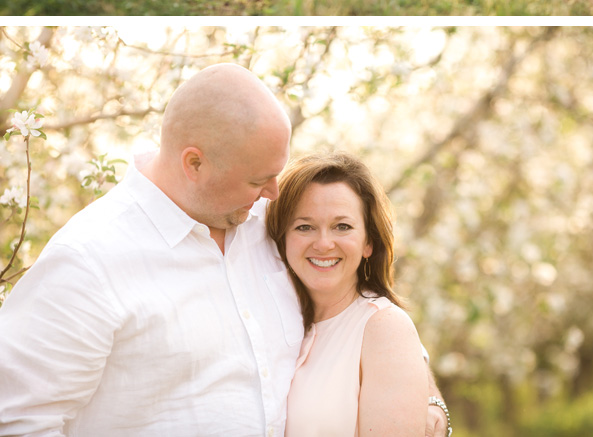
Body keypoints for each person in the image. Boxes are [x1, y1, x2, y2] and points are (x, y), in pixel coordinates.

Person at [0, 65, 450, 437]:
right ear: (194, 163)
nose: (274, 192)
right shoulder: (89, 260)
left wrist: (422, 394)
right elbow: (17, 419)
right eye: (257, 180)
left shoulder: (267, 226)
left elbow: (361, 318)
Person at [267, 152, 439, 437]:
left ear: (368, 242)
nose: (323, 244)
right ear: (283, 238)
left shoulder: (384, 328)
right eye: (304, 226)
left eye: (342, 226)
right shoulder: (282, 320)